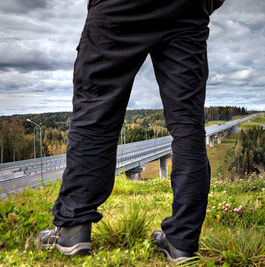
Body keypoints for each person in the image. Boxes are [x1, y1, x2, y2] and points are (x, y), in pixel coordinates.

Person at [35, 0, 224, 264]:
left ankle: (72, 228)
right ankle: (182, 242)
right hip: (188, 8)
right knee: (188, 124)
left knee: (95, 113)